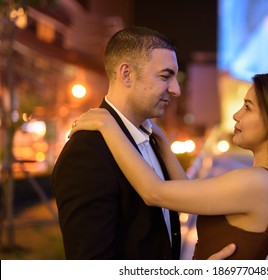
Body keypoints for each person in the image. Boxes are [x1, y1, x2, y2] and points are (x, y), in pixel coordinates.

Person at [69, 72, 268, 260]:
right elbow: (189, 192)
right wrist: (162, 141)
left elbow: (154, 192)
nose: (237, 115)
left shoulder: (257, 182)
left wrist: (108, 125)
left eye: (248, 107)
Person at [51, 26, 235, 260]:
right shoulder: (86, 154)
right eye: (165, 76)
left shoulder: (154, 138)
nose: (176, 90)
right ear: (126, 73)